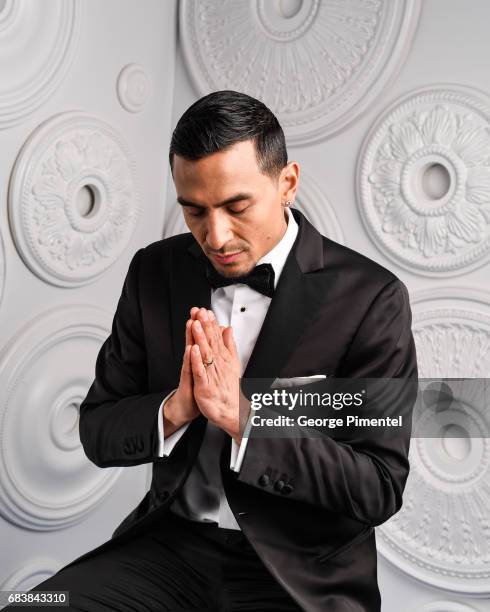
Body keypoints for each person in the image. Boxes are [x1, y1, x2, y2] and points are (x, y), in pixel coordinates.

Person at [16, 90, 418, 611]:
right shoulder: (154, 272)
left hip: (298, 574)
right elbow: (97, 430)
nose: (216, 234)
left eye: (236, 206)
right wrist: (177, 408)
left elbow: (379, 487)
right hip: (169, 547)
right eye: (194, 211)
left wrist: (246, 420)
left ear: (287, 182)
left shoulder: (371, 298)